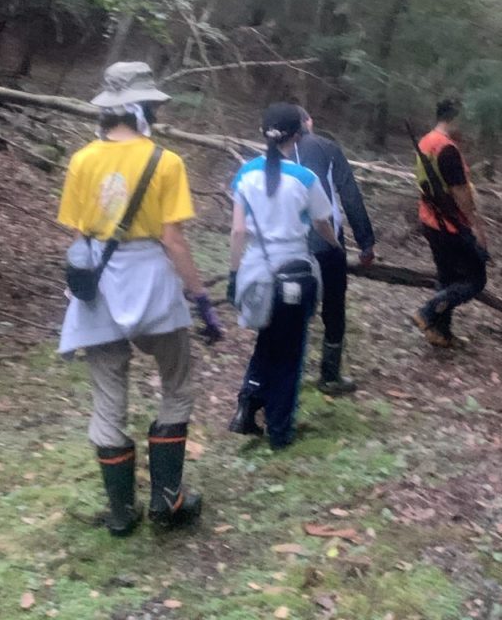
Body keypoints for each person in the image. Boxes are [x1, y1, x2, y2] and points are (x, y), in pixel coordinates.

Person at [57, 62, 223, 537]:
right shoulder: (165, 162)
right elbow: (173, 239)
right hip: (151, 285)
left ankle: (121, 511)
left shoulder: (82, 160)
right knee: (176, 385)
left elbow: (77, 233)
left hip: (99, 287)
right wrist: (201, 300)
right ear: (144, 107)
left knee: (108, 400)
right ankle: (167, 500)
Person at [226, 103, 342, 449]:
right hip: (293, 273)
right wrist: (336, 247)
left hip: (256, 273)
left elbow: (236, 232)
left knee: (269, 339)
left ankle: (248, 402)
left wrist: (233, 275)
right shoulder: (305, 178)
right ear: (297, 135)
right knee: (290, 351)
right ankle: (280, 430)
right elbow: (322, 222)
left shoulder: (244, 174)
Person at [295, 108, 375, 395]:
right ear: (309, 123)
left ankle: (284, 373)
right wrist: (366, 242)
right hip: (326, 241)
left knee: (291, 306)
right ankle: (329, 376)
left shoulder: (274, 154)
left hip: (285, 243)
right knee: (333, 305)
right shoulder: (327, 147)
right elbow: (350, 195)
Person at [410, 97, 489, 349]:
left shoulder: (425, 142)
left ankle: (441, 333)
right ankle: (427, 312)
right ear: (454, 118)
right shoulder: (447, 148)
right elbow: (461, 192)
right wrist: (476, 226)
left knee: (447, 278)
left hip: (429, 219)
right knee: (475, 280)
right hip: (450, 224)